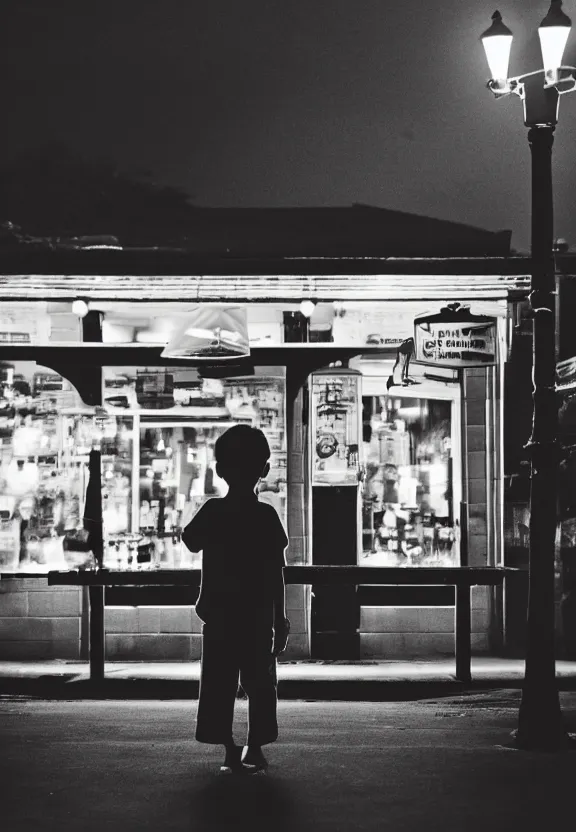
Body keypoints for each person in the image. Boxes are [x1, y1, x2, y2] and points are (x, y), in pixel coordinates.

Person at [182, 424, 290, 774]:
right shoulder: (266, 515)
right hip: (257, 616)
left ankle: (229, 750)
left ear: (220, 470)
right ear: (264, 470)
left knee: (218, 683)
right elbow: (277, 574)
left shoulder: (213, 511)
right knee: (261, 684)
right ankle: (255, 747)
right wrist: (281, 618)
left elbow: (189, 540)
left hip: (220, 615)